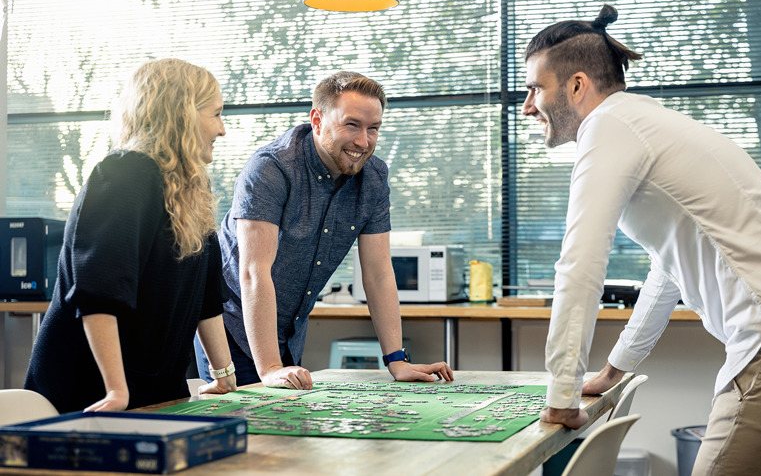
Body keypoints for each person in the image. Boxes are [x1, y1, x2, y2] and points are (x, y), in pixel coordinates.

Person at [522, 4, 761, 474]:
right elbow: (668, 268)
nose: (528, 105)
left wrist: (561, 396)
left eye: (536, 87)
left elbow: (580, 264)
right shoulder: (642, 123)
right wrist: (614, 369)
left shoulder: (609, 127)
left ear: (576, 85)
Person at [195, 71, 454, 390]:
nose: (364, 141)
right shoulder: (271, 168)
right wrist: (272, 367)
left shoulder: (373, 177)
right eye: (352, 125)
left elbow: (378, 273)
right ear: (317, 119)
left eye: (373, 128)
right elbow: (253, 272)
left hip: (289, 334)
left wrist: (396, 360)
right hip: (232, 334)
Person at [25, 58, 238, 413]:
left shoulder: (192, 190)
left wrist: (225, 375)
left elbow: (206, 299)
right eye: (215, 114)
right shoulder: (124, 174)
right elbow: (98, 296)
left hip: (155, 391)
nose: (222, 129)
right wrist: (116, 392)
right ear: (182, 114)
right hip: (90, 394)